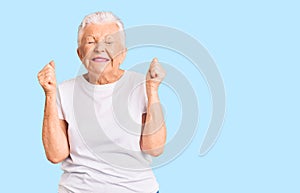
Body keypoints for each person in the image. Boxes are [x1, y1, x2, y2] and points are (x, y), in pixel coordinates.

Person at [37, 11, 166, 193]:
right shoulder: (64, 91)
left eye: (109, 42)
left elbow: (155, 148)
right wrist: (49, 93)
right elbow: (56, 154)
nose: (99, 48)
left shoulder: (141, 85)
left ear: (123, 54)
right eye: (91, 41)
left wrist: (152, 89)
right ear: (80, 53)